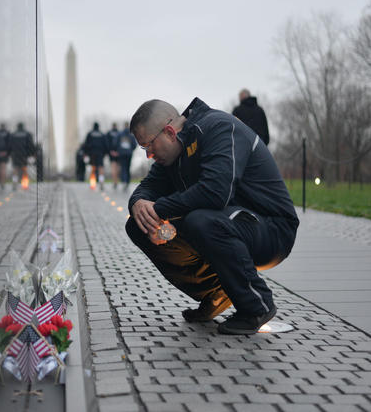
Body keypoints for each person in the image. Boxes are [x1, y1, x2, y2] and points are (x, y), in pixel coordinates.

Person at [126, 98, 298, 334]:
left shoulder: (219, 128)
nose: (149, 155)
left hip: (272, 230)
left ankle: (256, 305)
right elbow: (147, 188)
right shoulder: (171, 156)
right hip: (226, 224)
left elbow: (216, 193)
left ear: (169, 132)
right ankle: (216, 293)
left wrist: (159, 209)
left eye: (149, 146)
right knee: (139, 226)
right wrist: (138, 205)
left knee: (200, 220)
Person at [9, 122, 35, 190]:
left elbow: (9, 145)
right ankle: (25, 185)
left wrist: (9, 153)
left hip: (15, 154)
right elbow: (30, 144)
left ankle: (14, 183)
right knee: (24, 169)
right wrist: (31, 154)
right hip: (24, 154)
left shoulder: (13, 134)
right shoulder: (27, 134)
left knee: (15, 169)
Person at [83, 122, 108, 190]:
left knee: (93, 169)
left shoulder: (90, 134)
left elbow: (86, 144)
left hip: (92, 154)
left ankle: (92, 184)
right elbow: (106, 145)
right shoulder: (102, 134)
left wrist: (86, 153)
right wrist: (105, 153)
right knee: (100, 168)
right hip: (100, 153)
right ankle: (101, 182)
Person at [116, 121, 137, 192]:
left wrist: (119, 150)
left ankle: (124, 181)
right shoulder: (131, 135)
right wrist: (131, 150)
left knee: (123, 167)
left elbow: (116, 143)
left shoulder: (120, 134)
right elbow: (134, 144)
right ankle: (127, 181)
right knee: (128, 167)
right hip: (129, 153)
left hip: (122, 153)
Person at [0, 123, 11, 191]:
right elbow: (9, 143)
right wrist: (8, 152)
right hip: (5, 153)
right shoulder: (8, 133)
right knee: (3, 168)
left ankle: (0, 182)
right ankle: (3, 182)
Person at [106, 123, 120, 190]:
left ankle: (114, 181)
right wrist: (118, 151)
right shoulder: (119, 133)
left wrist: (110, 151)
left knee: (113, 168)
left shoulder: (109, 133)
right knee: (117, 168)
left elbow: (107, 143)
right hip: (118, 153)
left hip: (111, 153)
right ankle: (116, 181)